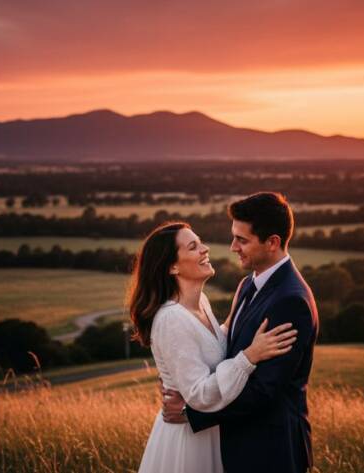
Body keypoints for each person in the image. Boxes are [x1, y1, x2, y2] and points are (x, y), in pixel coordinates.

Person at [161, 192, 319, 473]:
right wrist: (182, 379)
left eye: (242, 240)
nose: (233, 247)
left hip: (271, 450)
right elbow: (225, 348)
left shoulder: (291, 301)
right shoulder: (248, 285)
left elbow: (264, 390)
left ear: (272, 242)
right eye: (234, 237)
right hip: (238, 444)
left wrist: (191, 413)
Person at [131, 221, 299, 473]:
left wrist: (235, 320)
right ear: (172, 266)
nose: (205, 249)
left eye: (200, 243)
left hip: (212, 434)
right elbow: (198, 394)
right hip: (189, 442)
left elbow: (206, 344)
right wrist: (250, 355)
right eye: (193, 247)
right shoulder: (170, 318)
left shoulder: (202, 304)